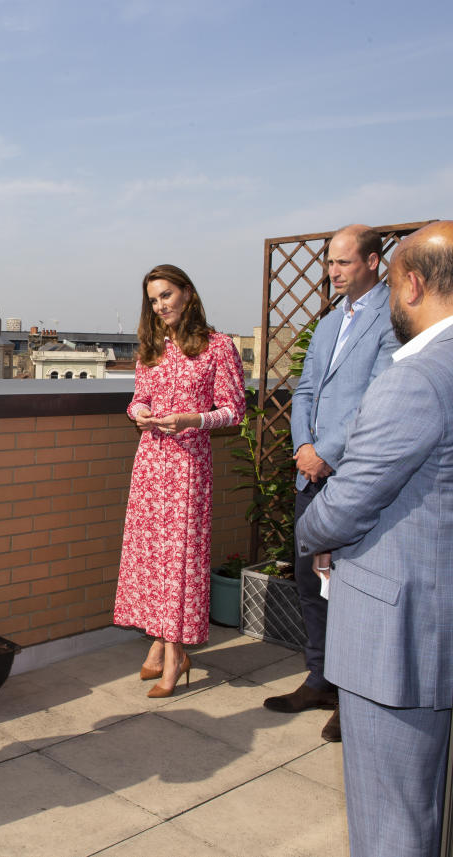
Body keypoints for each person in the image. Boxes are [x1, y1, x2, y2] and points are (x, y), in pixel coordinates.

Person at [296, 221, 453, 857]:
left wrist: (312, 531)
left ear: (410, 283)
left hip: (402, 636)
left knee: (393, 819)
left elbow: (349, 502)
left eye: (391, 282)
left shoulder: (417, 376)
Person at [263, 224, 398, 742]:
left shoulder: (391, 318)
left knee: (351, 588)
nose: (333, 272)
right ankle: (320, 679)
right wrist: (303, 449)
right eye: (330, 263)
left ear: (371, 262)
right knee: (308, 581)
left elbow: (380, 397)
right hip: (311, 475)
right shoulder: (328, 323)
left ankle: (351, 694)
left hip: (356, 476)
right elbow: (303, 390)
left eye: (343, 262)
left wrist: (327, 452)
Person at [114, 264, 246, 697]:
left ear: (187, 293)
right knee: (152, 559)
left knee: (180, 561)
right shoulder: (151, 347)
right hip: (151, 464)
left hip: (189, 466)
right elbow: (138, 399)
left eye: (167, 295)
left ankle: (174, 656)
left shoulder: (218, 346)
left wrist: (194, 419)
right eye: (153, 299)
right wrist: (140, 414)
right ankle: (160, 644)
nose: (160, 305)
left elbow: (234, 409)